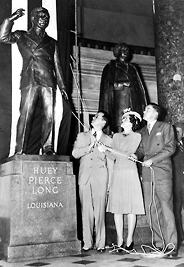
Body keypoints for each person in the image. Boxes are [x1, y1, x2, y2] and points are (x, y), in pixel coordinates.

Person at [0, 7, 68, 155]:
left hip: (48, 81)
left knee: (49, 116)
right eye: (40, 16)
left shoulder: (52, 42)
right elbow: (1, 37)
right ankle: (20, 149)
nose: (44, 18)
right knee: (26, 114)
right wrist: (11, 19)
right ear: (33, 18)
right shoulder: (21, 36)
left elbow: (58, 66)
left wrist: (62, 86)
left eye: (47, 16)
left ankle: (48, 147)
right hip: (30, 79)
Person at [98, 109, 145, 252]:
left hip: (130, 172)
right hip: (118, 172)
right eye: (123, 118)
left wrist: (110, 149)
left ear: (133, 122)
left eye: (126, 118)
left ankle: (129, 239)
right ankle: (120, 240)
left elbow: (128, 156)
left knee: (131, 208)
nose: (122, 120)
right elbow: (114, 157)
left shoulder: (136, 136)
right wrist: (104, 151)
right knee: (117, 208)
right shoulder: (116, 136)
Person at [137, 103, 177, 256]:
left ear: (156, 113)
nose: (144, 111)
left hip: (162, 172)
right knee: (152, 209)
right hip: (147, 174)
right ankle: (160, 243)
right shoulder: (141, 131)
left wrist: (153, 160)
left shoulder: (165, 127)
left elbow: (170, 148)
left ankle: (171, 245)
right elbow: (141, 150)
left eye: (147, 109)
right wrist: (135, 156)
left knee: (166, 208)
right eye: (145, 108)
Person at [72, 111, 113, 252]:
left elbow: (112, 159)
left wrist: (105, 151)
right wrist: (88, 148)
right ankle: (87, 242)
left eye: (98, 117)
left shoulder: (108, 140)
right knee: (86, 210)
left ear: (103, 123)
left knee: (100, 210)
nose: (94, 118)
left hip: (101, 177)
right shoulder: (82, 136)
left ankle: (100, 243)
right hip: (84, 177)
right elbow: (75, 153)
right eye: (94, 116)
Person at [99, 42, 148, 134]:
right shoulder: (111, 67)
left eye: (127, 50)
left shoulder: (133, 68)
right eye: (123, 50)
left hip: (132, 99)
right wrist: (124, 84)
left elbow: (139, 87)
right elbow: (108, 86)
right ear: (117, 52)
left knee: (133, 123)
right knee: (119, 122)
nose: (126, 52)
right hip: (118, 99)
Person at [172, 121, 184, 246]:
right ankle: (180, 236)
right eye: (175, 131)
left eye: (179, 131)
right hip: (176, 182)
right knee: (176, 209)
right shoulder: (172, 147)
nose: (176, 134)